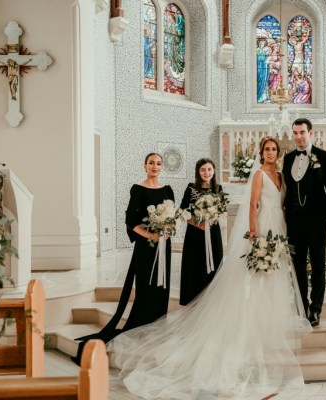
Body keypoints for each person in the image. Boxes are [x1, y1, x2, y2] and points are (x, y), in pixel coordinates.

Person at [107, 138, 311, 399]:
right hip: (255, 227)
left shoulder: (281, 175)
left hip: (279, 225)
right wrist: (253, 231)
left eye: (274, 149)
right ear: (261, 153)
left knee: (276, 273)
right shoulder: (258, 175)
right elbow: (253, 204)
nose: (271, 152)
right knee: (256, 271)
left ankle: (274, 314)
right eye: (267, 149)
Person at [72, 153, 174, 364]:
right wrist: (150, 235)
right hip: (146, 247)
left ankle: (159, 323)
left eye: (158, 164)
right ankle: (143, 323)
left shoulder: (167, 190)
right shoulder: (138, 189)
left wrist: (168, 231)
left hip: (164, 246)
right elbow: (130, 221)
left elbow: (172, 217)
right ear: (145, 165)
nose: (155, 166)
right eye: (151, 163)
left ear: (162, 167)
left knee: (162, 286)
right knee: (146, 285)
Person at [283, 118, 326, 327]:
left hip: (316, 221)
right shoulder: (288, 159)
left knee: (317, 266)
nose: (298, 137)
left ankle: (315, 309)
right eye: (295, 133)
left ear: (310, 133)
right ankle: (301, 305)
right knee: (297, 267)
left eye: (302, 132)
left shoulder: (323, 156)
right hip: (294, 222)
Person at [178, 158, 223, 306]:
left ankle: (211, 300)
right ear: (198, 172)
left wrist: (212, 218)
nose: (206, 172)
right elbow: (182, 211)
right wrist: (198, 223)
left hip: (213, 231)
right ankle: (193, 299)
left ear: (214, 171)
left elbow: (221, 210)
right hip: (195, 234)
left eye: (209, 169)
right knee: (195, 265)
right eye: (203, 170)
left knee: (214, 264)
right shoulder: (191, 188)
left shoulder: (218, 188)